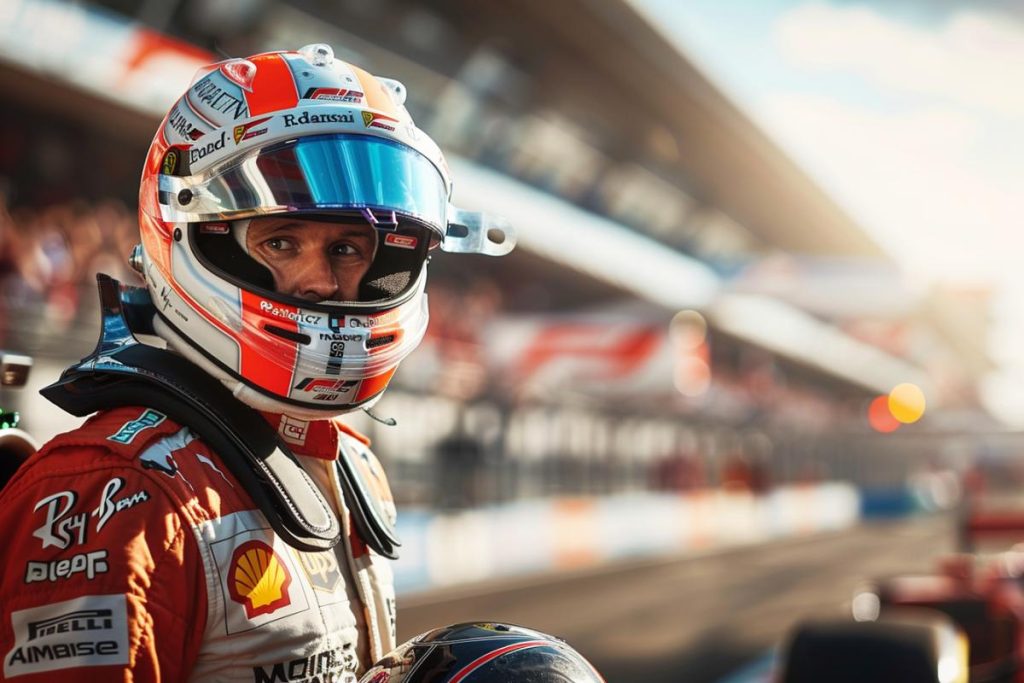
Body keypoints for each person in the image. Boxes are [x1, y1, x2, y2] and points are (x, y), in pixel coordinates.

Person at [0, 43, 513, 682]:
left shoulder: (349, 456)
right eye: (280, 241)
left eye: (349, 248)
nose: (318, 283)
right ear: (187, 232)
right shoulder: (117, 495)